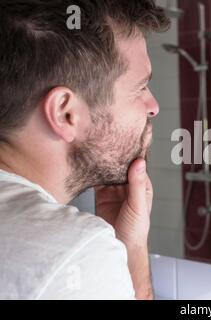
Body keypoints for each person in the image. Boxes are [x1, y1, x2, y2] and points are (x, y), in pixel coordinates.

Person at [0, 0, 170, 299]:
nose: (153, 107)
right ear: (66, 114)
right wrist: (133, 251)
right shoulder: (73, 253)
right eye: (140, 87)